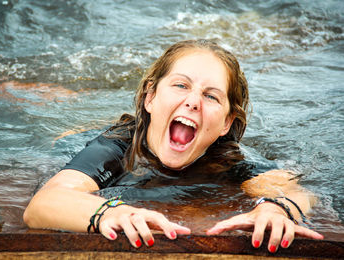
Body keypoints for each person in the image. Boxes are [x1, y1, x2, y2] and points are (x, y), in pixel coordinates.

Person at [24, 39, 323, 253]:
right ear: (150, 97)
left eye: (211, 96)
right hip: (73, 141)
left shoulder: (232, 161)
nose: (193, 101)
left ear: (226, 123)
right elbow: (42, 205)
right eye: (181, 85)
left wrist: (276, 210)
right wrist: (109, 212)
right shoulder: (115, 150)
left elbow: (296, 190)